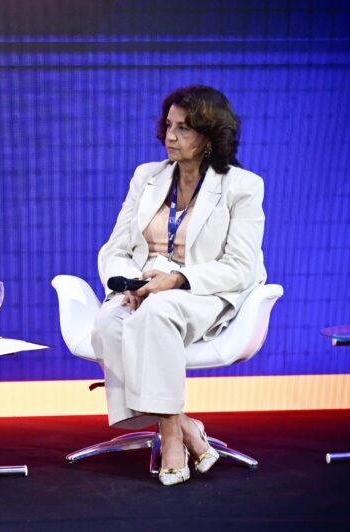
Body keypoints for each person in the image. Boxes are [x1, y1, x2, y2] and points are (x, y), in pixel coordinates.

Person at [92, 85, 266, 486]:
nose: (170, 136)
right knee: (109, 321)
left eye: (184, 128)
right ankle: (184, 424)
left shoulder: (242, 186)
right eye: (168, 126)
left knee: (158, 310)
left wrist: (177, 280)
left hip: (201, 291)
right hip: (146, 286)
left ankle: (171, 436)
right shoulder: (147, 177)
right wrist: (130, 283)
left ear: (210, 136)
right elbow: (115, 248)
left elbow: (240, 266)